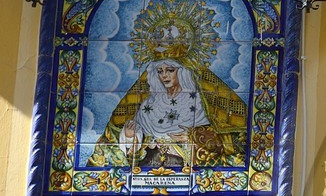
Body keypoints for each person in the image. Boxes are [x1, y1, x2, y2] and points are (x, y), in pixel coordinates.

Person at [87, 57, 247, 170]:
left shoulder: (201, 101)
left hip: (185, 165)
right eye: (160, 71)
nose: (164, 75)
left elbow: (229, 138)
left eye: (170, 70)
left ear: (182, 72)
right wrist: (130, 136)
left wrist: (193, 137)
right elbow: (131, 141)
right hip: (149, 165)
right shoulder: (149, 102)